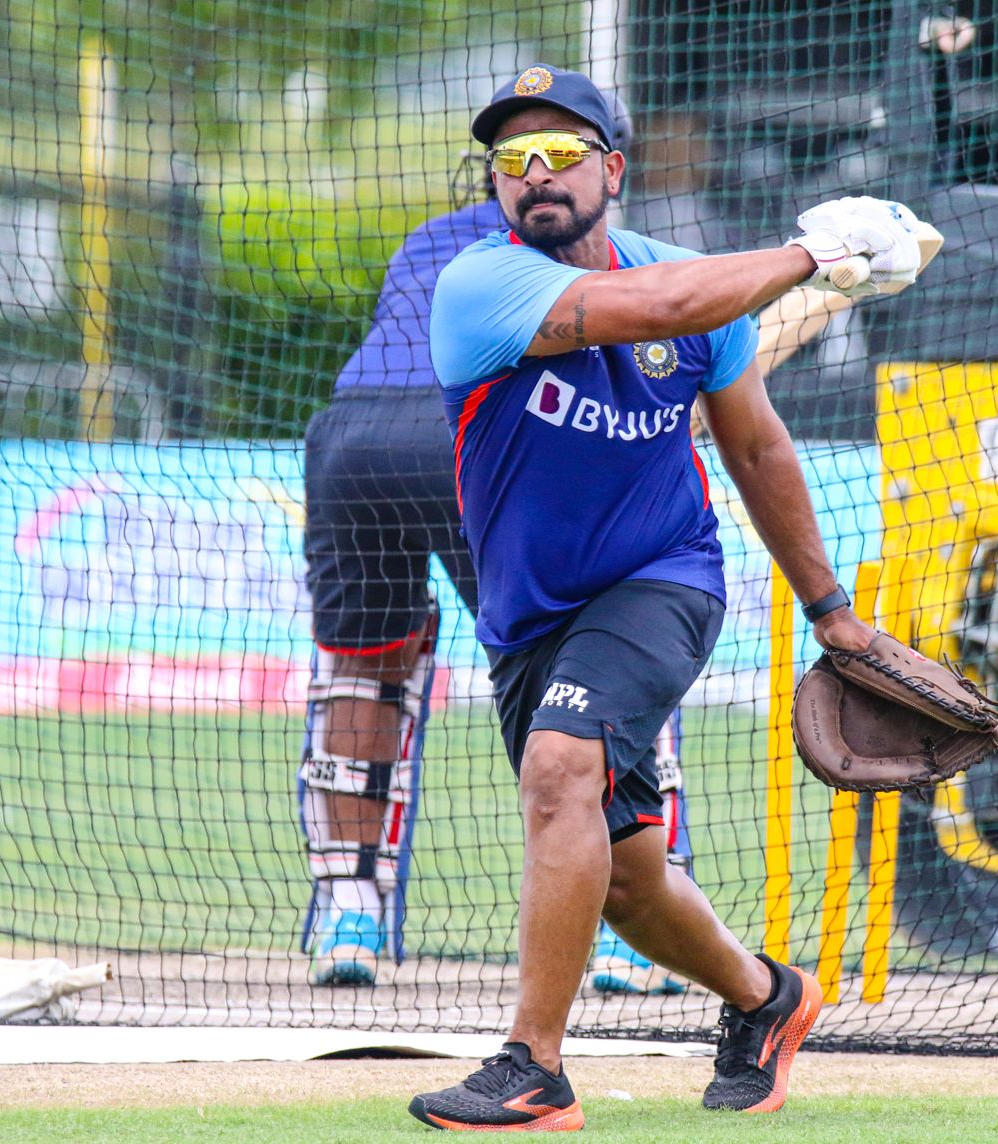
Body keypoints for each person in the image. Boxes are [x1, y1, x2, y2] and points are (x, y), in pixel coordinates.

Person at [409, 64, 921, 1129]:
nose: (534, 176)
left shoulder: (693, 289)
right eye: (511, 161)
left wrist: (827, 607)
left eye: (560, 154)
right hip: (528, 619)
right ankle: (766, 999)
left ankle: (532, 1065)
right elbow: (655, 304)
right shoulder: (480, 285)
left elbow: (754, 444)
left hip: (662, 579)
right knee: (629, 878)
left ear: (613, 169)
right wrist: (811, 257)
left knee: (560, 768)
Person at [296, 94, 691, 995]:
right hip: (455, 450)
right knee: (601, 658)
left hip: (352, 444)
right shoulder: (581, 256)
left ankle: (347, 913)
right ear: (614, 169)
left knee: (365, 666)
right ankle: (636, 931)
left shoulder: (435, 237)